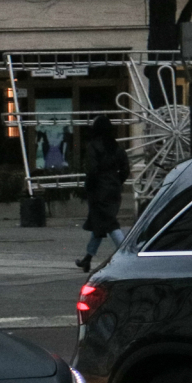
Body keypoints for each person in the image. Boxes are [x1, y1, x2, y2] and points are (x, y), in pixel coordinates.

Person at [76, 115, 131, 272]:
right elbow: (126, 169)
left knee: (110, 223)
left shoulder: (93, 146)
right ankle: (88, 257)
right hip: (113, 189)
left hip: (99, 190)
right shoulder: (117, 148)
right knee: (99, 223)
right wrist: (116, 181)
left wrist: (90, 187)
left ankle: (126, 253)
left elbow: (92, 169)